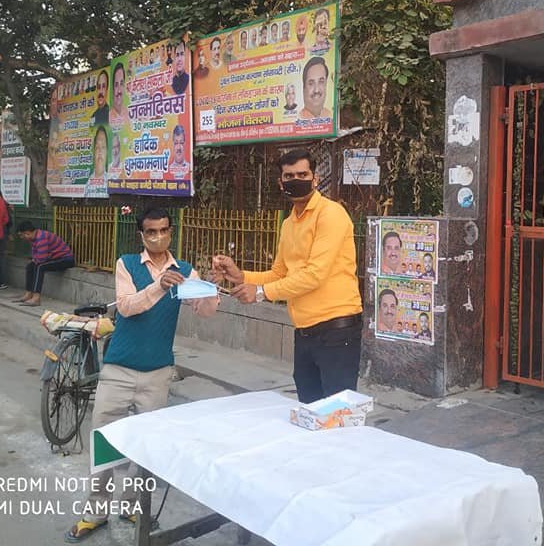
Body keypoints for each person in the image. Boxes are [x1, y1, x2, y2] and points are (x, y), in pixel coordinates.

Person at [66, 208, 218, 542]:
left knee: (147, 447)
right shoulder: (127, 264)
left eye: (163, 230)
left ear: (171, 232)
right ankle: (95, 512)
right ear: (142, 235)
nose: (158, 237)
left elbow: (205, 312)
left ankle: (131, 504)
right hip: (119, 369)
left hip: (158, 372)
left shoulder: (185, 271)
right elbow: (126, 306)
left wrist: (211, 288)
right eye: (151, 232)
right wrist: (159, 286)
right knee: (104, 442)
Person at [213, 149, 361, 404]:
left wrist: (260, 293)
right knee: (308, 406)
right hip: (304, 331)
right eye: (289, 176)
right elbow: (279, 273)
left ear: (315, 179)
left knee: (337, 414)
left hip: (336, 330)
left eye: (303, 174)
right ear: (281, 183)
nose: (296, 180)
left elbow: (314, 275)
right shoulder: (289, 223)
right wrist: (241, 276)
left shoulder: (331, 214)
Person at [14, 221, 74, 307]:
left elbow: (42, 259)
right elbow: (35, 255)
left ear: (27, 233)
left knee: (40, 266)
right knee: (30, 266)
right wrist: (34, 260)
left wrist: (36, 260)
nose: (22, 237)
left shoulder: (41, 237)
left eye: (21, 235)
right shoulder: (33, 238)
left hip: (65, 259)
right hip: (54, 258)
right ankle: (28, 294)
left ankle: (36, 298)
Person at [110, 63, 126, 127]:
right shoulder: (109, 117)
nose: (119, 90)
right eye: (116, 85)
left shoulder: (128, 114)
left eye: (121, 84)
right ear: (113, 89)